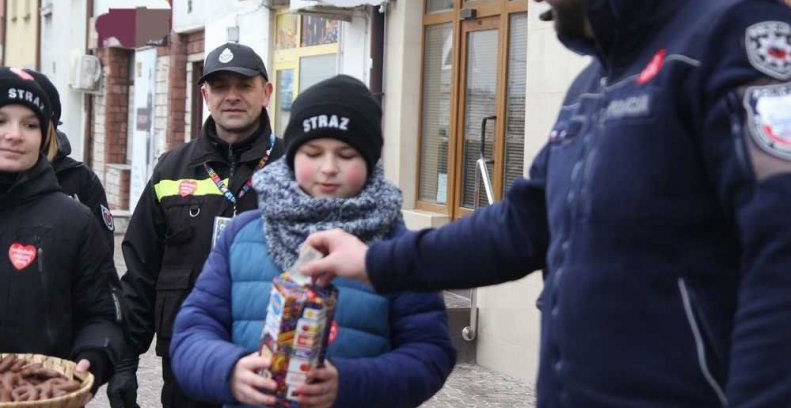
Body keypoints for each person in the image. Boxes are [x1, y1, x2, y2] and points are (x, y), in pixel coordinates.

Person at [299, 0, 791, 407]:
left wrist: (746, 314)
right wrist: (374, 262)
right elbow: (522, 226)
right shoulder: (598, 82)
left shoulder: (733, 39)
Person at [169, 75, 455, 407]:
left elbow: (430, 354)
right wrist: (228, 371)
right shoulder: (242, 235)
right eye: (313, 152)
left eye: (346, 155)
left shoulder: (396, 248)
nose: (328, 168)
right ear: (291, 157)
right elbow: (191, 333)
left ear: (370, 160)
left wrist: (348, 384)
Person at [119, 43, 286, 407]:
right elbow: (141, 269)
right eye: (221, 87)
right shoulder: (171, 170)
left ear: (266, 93)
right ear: (205, 95)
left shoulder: (294, 168)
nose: (232, 97)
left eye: (243, 85)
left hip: (270, 355)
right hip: (187, 356)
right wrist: (125, 358)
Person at [0, 66, 125, 398]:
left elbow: (101, 313)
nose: (14, 134)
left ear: (44, 135)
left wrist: (94, 354)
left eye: (29, 124)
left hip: (41, 397)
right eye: (1, 120)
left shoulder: (73, 220)